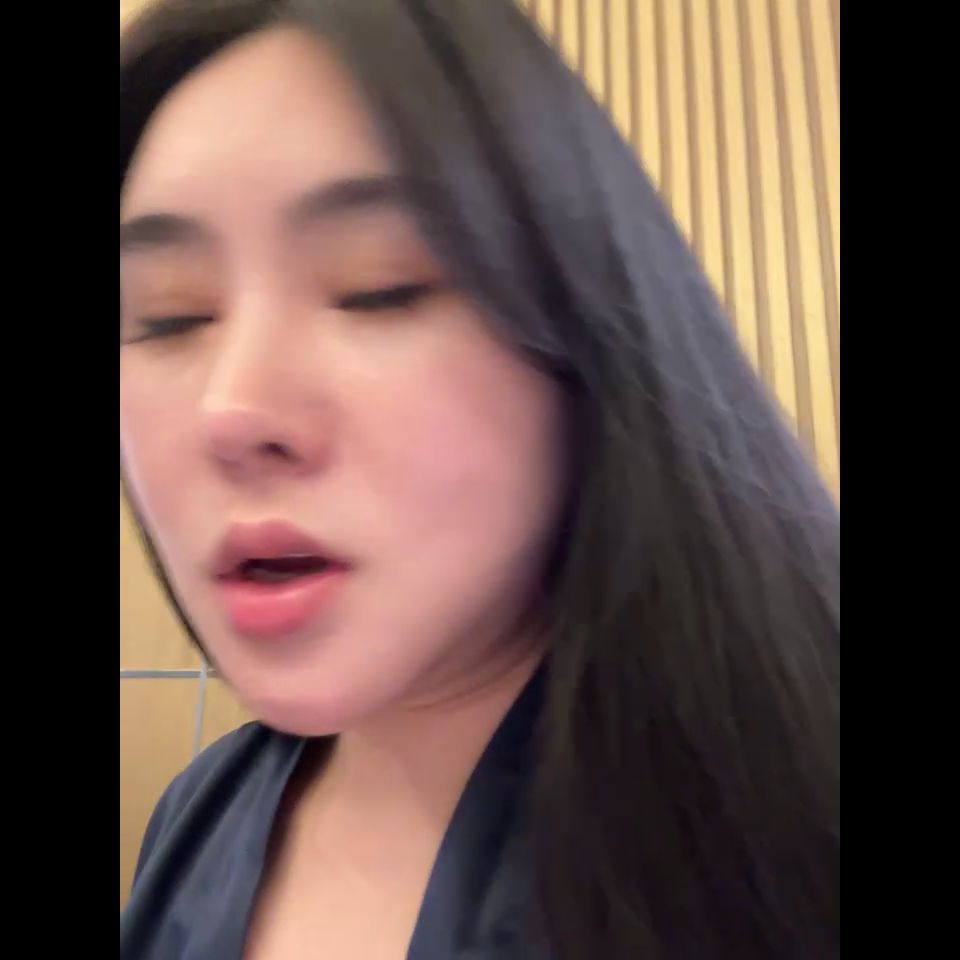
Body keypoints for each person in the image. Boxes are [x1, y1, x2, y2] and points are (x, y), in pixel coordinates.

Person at [119, 1, 840, 958]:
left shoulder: (796, 835)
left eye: (380, 288)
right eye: (167, 317)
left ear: (585, 338)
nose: (231, 412)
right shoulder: (196, 821)